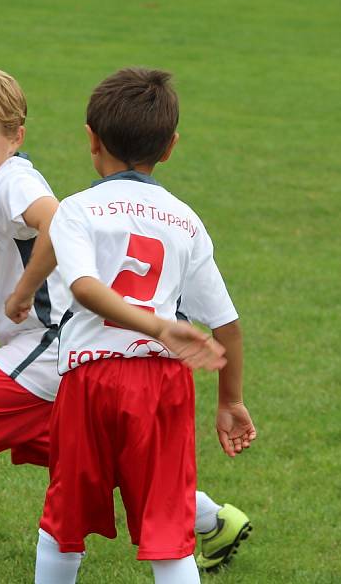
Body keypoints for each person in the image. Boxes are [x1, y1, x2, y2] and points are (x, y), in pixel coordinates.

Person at [0, 68, 253, 583]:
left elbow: (53, 218)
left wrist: (23, 291)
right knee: (100, 464)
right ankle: (212, 521)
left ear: (17, 138)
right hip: (128, 367)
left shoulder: (17, 181)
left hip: (57, 342)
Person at [29, 67, 257, 584]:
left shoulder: (77, 210)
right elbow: (228, 328)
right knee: (168, 531)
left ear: (91, 138)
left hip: (89, 379)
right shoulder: (185, 219)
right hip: (162, 388)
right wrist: (230, 400)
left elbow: (85, 289)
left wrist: (154, 327)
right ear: (171, 146)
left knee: (63, 523)